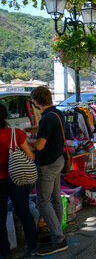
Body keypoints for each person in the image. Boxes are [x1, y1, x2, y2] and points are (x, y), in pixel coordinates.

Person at [28, 86, 68, 256]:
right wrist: (33, 131)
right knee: (56, 198)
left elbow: (39, 145)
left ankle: (59, 239)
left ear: (36, 102)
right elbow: (49, 133)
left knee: (43, 202)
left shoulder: (46, 119)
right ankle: (57, 231)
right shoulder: (58, 113)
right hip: (58, 160)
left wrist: (26, 140)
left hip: (48, 164)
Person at [0, 104, 37, 258]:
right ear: (5, 116)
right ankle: (32, 247)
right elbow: (31, 156)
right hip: (18, 179)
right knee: (24, 213)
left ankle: (4, 253)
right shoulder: (16, 134)